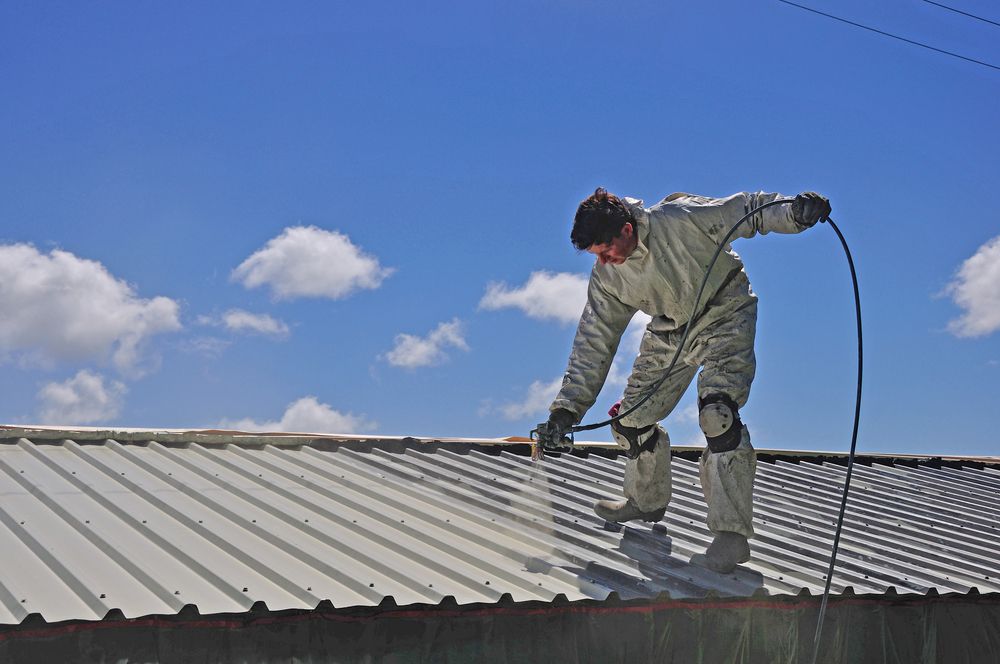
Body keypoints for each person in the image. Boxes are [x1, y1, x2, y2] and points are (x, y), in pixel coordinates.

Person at [544, 187, 831, 573]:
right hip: (671, 332)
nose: (605, 261)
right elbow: (593, 342)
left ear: (627, 229)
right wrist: (566, 411)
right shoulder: (608, 278)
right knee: (629, 422)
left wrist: (794, 213)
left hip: (724, 313)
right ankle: (645, 500)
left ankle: (731, 536)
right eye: (597, 256)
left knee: (718, 416)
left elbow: (747, 211)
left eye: (606, 251)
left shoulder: (679, 219)